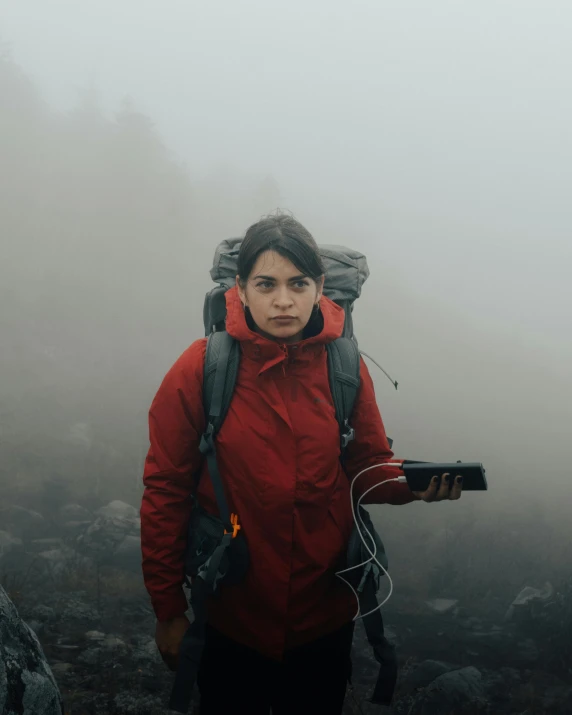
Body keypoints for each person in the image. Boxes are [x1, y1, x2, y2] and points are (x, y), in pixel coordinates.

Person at [140, 213, 462, 715]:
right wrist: (168, 609)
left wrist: (413, 483)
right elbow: (165, 489)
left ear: (320, 290)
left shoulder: (344, 367)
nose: (283, 300)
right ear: (241, 290)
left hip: (323, 613)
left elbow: (367, 466)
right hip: (231, 613)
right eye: (266, 284)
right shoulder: (202, 368)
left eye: (299, 284)